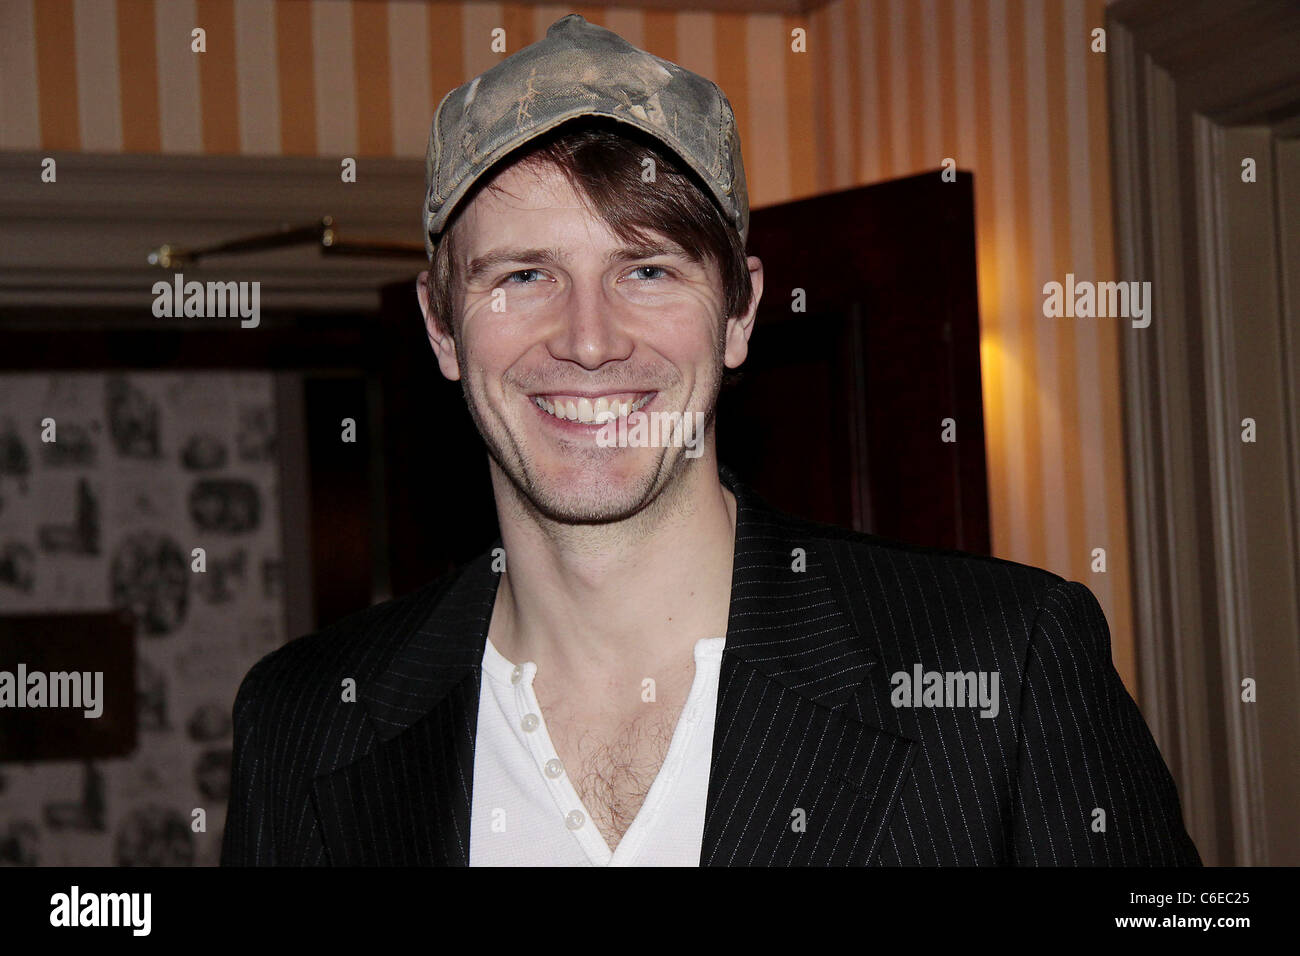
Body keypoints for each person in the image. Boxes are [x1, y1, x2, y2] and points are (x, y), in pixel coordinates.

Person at [221, 14, 1200, 866]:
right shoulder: (305, 720)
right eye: (523, 274)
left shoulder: (1004, 669)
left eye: (647, 269)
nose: (590, 338)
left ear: (739, 313)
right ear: (441, 325)